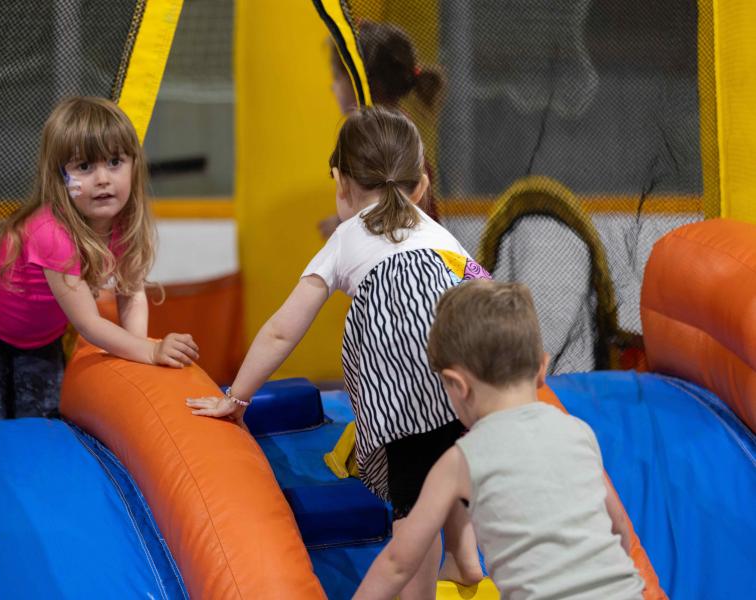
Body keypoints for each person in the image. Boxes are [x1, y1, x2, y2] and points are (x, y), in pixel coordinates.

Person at [186, 107, 490, 599]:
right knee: (448, 451)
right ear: (419, 186)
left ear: (341, 183)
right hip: (461, 365)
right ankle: (465, 554)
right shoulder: (439, 234)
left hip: (401, 389)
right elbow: (483, 287)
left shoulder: (346, 237)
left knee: (411, 506)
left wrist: (236, 398)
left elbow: (284, 330)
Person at [354, 280, 644, 600]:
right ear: (542, 368)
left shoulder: (460, 460)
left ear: (456, 385)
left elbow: (398, 563)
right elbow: (618, 526)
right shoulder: (578, 431)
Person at [0, 97, 198, 420]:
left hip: (39, 336)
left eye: (115, 162)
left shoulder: (124, 223)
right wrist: (150, 350)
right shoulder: (51, 233)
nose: (103, 179)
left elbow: (131, 291)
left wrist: (137, 352)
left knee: (43, 419)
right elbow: (89, 324)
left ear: (135, 164)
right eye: (84, 167)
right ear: (61, 178)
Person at [321, 20, 444, 238]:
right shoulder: (392, 130)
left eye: (337, 77)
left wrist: (345, 228)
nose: (333, 87)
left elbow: (393, 212)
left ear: (362, 81)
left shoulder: (384, 139)